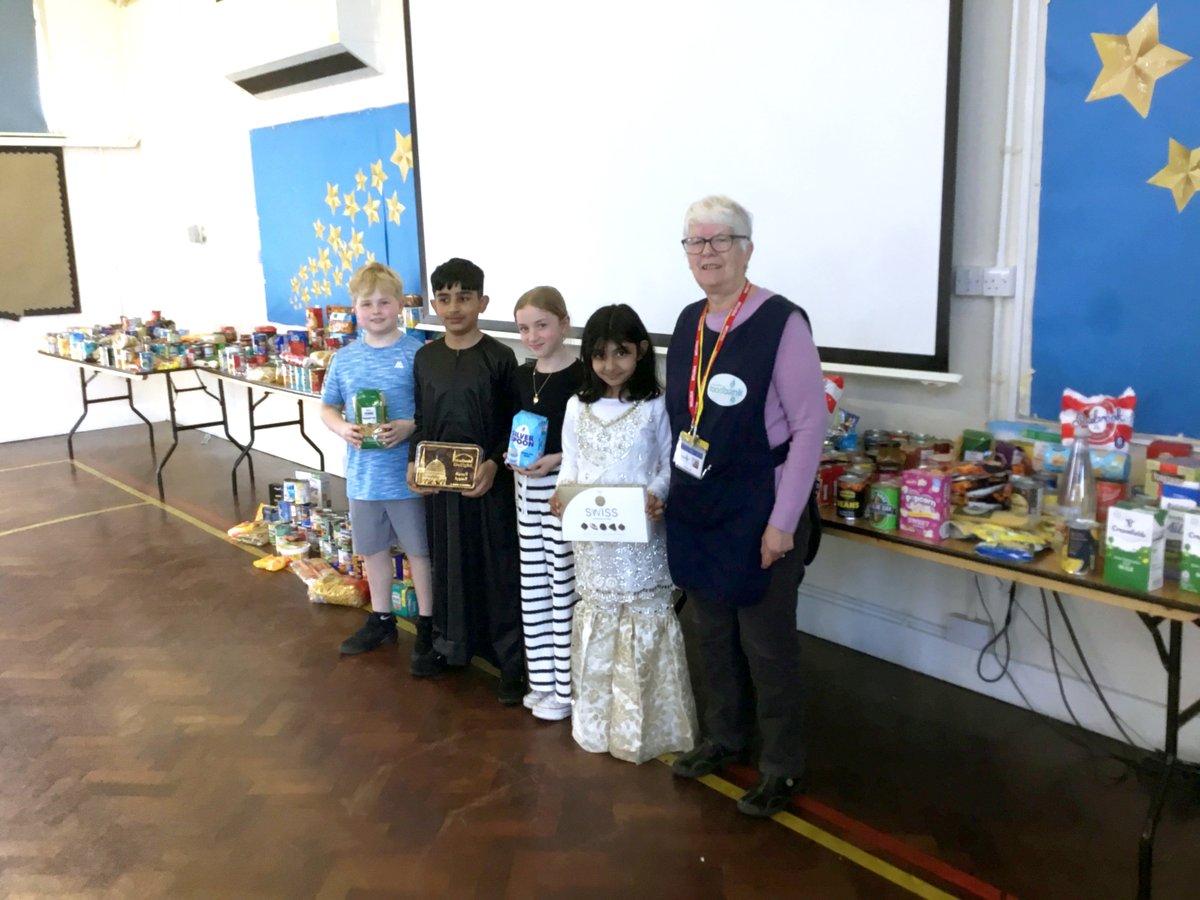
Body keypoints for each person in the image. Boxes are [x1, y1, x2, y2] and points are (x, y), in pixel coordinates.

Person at [664, 196, 825, 817]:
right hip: (701, 502)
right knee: (711, 638)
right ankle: (724, 739)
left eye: (720, 240)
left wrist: (784, 523)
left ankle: (782, 766)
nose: (707, 252)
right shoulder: (686, 322)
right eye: (695, 242)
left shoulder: (782, 322)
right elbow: (681, 421)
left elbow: (809, 430)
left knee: (767, 647)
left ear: (746, 248)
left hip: (762, 508)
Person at [550, 304, 697, 763]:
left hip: (640, 534)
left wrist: (657, 494)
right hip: (593, 537)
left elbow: (667, 463)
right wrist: (560, 493)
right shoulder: (578, 406)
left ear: (641, 352)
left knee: (642, 616)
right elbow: (570, 463)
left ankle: (647, 728)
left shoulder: (655, 405)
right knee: (600, 617)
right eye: (599, 355)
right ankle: (599, 724)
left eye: (621, 353)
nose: (610, 364)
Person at [405, 258, 526, 705]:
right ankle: (449, 645)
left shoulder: (499, 357)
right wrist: (414, 462)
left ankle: (511, 663)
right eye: (445, 298)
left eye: (464, 297)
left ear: (483, 302)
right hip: (440, 488)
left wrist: (495, 463)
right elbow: (421, 420)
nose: (454, 307)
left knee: (496, 569)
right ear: (434, 304)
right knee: (448, 564)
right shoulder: (425, 357)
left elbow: (515, 426)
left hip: (486, 487)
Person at [319, 262, 434, 668]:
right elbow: (327, 407)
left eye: (384, 302)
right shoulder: (345, 359)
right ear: (354, 309)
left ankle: (428, 624)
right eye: (367, 303)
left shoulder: (419, 352)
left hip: (407, 478)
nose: (376, 310)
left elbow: (432, 410)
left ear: (401, 305)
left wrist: (409, 426)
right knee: (372, 551)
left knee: (421, 552)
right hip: (364, 478)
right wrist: (343, 428)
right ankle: (381, 618)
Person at [511, 287, 586, 721]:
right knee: (535, 586)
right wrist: (512, 458)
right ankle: (542, 681)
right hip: (526, 492)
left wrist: (556, 459)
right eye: (524, 327)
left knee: (564, 587)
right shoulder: (523, 376)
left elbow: (584, 445)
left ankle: (567, 688)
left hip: (563, 492)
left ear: (564, 324)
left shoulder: (582, 378)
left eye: (542, 324)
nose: (533, 335)